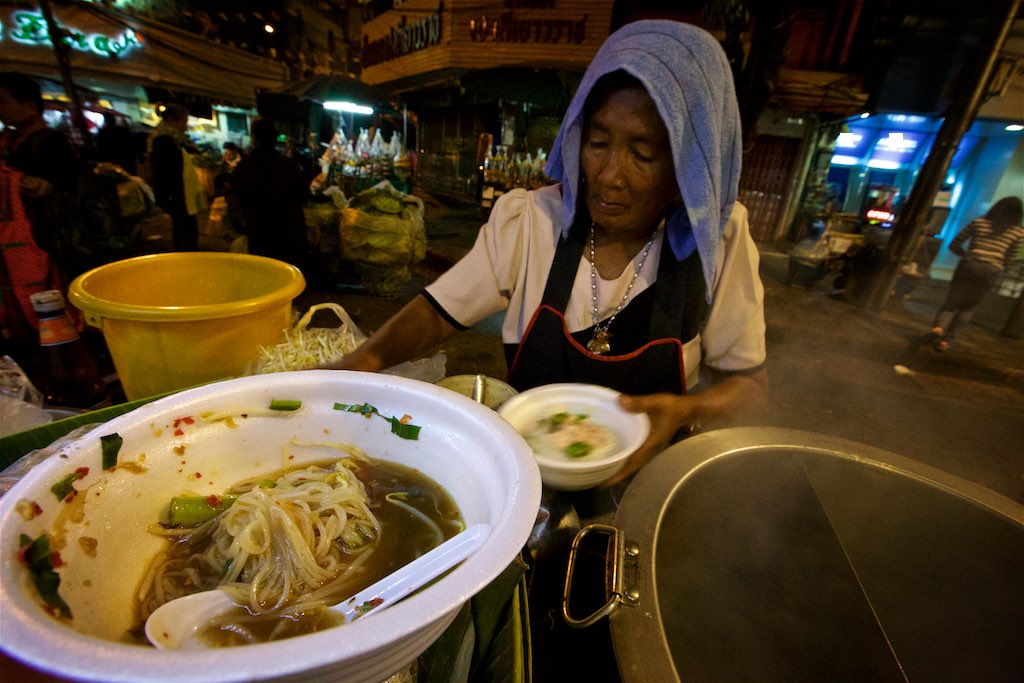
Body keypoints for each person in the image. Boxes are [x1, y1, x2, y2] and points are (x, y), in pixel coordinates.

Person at [332, 21, 768, 484]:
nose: (609, 176)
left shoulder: (716, 241)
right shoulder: (531, 221)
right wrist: (358, 364)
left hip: (649, 485)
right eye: (598, 143)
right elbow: (438, 312)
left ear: (689, 165)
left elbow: (751, 387)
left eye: (642, 154)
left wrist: (687, 411)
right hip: (527, 484)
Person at [0, 72, 79, 354]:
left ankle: (61, 353)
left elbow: (52, 188)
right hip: (15, 243)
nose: (1, 109)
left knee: (52, 299)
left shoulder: (50, 143)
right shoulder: (8, 143)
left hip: (45, 239)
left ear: (30, 106)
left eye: (4, 102)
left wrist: (14, 179)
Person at [931, 196, 1024, 351]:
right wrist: (998, 264)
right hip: (992, 270)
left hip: (969, 265)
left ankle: (939, 328)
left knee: (952, 303)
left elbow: (955, 244)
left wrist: (968, 256)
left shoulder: (979, 223)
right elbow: (1010, 257)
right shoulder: (1018, 233)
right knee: (968, 307)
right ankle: (946, 341)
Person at [232, 117, 310, 269]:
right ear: (275, 138)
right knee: (287, 280)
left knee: (264, 277)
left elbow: (238, 200)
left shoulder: (243, 167)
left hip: (260, 234)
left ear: (254, 138)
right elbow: (304, 196)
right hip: (289, 235)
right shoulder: (290, 165)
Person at [147, 103, 205, 251]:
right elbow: (165, 171)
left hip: (178, 193)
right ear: (172, 120)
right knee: (186, 227)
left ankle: (185, 254)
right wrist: (170, 196)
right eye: (183, 122)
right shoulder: (163, 141)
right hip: (176, 194)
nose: (185, 126)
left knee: (184, 226)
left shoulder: (173, 139)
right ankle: (186, 256)